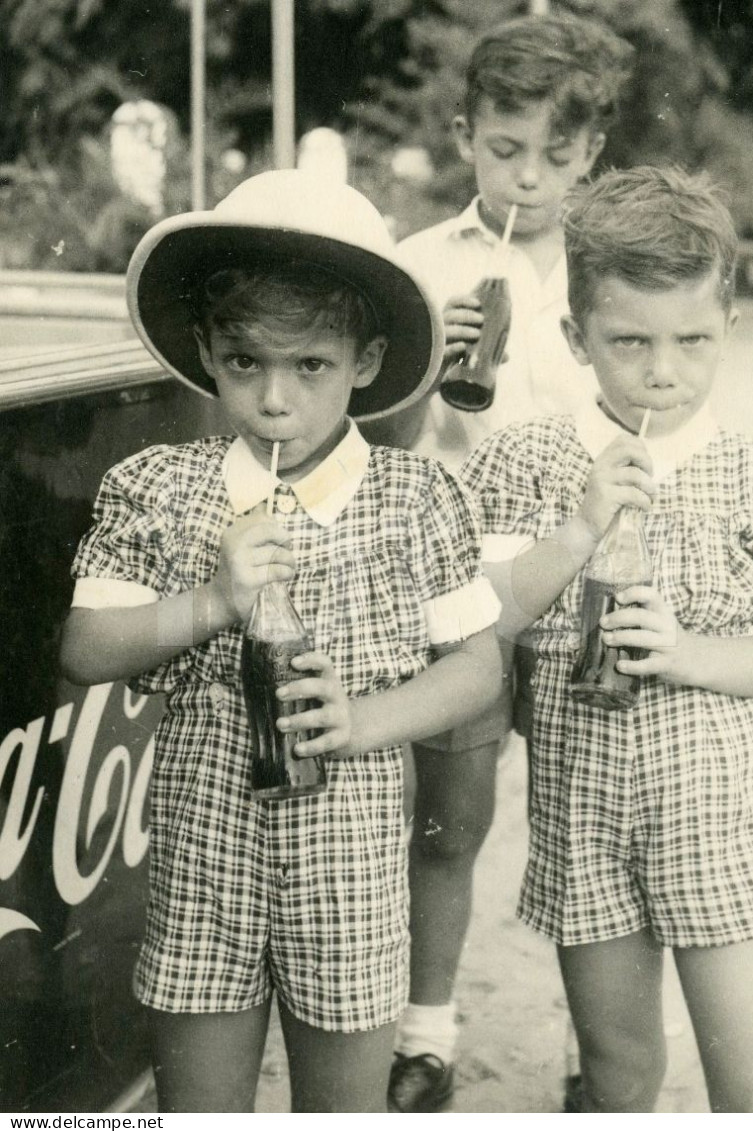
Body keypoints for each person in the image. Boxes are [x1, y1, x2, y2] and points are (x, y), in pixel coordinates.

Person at [59, 170, 503, 1114]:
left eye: (311, 367)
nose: (272, 401)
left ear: (368, 359)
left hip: (348, 875)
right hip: (199, 871)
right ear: (207, 355)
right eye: (244, 362)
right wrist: (214, 599)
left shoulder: (415, 498)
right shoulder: (159, 485)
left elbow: (477, 668)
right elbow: (88, 648)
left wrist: (364, 717)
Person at [460, 164, 753, 1112]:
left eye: (692, 341)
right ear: (577, 338)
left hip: (713, 822)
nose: (662, 370)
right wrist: (577, 529)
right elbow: (487, 615)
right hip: (582, 815)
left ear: (728, 331)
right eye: (629, 341)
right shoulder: (530, 457)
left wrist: (688, 651)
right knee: (619, 1068)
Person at [370, 12, 633, 1113]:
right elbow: (380, 441)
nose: (526, 175)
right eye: (503, 148)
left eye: (555, 157)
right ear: (466, 135)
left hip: (585, 581)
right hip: (464, 587)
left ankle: (598, 1047)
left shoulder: (610, 271)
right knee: (452, 816)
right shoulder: (421, 266)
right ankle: (428, 1032)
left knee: (590, 832)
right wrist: (435, 370)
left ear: (592, 157)